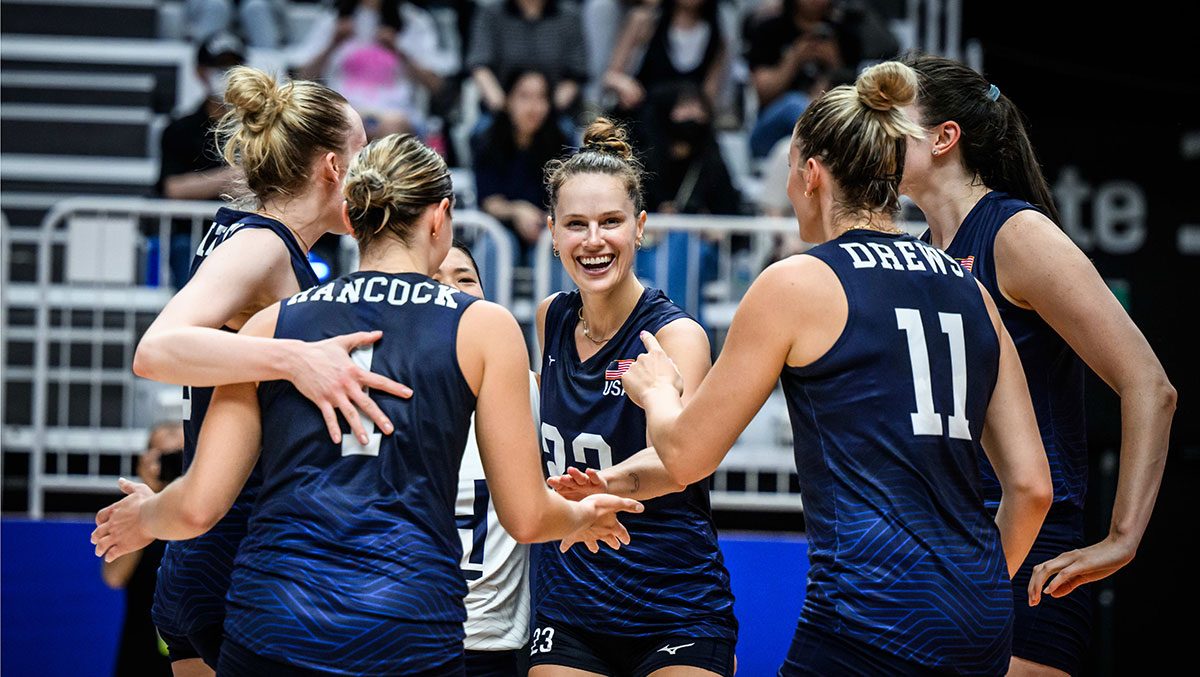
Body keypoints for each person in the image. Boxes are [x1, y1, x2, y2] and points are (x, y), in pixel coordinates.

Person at [92, 133, 643, 676]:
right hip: (406, 629)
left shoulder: (273, 324)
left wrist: (145, 516)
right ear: (440, 216)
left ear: (352, 218)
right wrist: (580, 514)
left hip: (273, 623)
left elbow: (197, 507)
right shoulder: (483, 327)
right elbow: (525, 517)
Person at [617, 61, 1054, 674]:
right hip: (979, 616)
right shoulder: (969, 285)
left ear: (812, 174)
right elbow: (1033, 488)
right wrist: (961, 594)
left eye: (791, 171)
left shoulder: (799, 281)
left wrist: (659, 391)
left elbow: (688, 456)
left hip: (867, 615)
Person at [897, 52, 1177, 676]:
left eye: (889, 119)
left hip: (1034, 548)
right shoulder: (921, 253)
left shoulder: (1015, 234)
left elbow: (1149, 386)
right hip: (951, 544)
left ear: (944, 138)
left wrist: (1123, 538)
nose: (871, 135)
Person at [132, 66, 412, 673]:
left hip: (210, 542)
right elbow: (156, 349)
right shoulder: (260, 245)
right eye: (362, 151)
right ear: (333, 167)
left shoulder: (262, 240)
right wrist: (294, 357)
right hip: (238, 550)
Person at [529, 118, 738, 677]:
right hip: (569, 600)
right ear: (553, 234)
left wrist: (597, 487)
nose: (593, 240)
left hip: (674, 603)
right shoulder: (551, 316)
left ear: (640, 227)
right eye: (576, 224)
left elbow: (679, 463)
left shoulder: (675, 335)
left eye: (610, 222)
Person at [433, 242, 535, 677]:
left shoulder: (527, 391)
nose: (452, 292)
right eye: (434, 280)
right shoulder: (371, 389)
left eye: (465, 279)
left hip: (489, 643)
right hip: (399, 632)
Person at [745, 0, 897, 157]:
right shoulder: (770, 29)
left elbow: (855, 92)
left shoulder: (845, 32)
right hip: (772, 130)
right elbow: (762, 93)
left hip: (830, 119)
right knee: (795, 103)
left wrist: (834, 63)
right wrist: (793, 59)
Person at [294, 0, 455, 139]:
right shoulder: (334, 19)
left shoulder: (414, 21)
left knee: (392, 126)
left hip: (396, 113)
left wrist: (400, 51)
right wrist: (333, 44)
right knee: (334, 124)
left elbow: (436, 86)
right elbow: (303, 77)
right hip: (344, 108)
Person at [103, 422, 184, 677]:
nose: (173, 465)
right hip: (141, 651)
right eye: (164, 456)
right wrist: (148, 507)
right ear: (147, 459)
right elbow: (113, 576)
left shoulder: (207, 510)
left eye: (180, 455)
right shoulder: (131, 511)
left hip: (195, 650)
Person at [472, 70, 568, 258]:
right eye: (525, 96)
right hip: (501, 226)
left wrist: (544, 218)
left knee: (555, 247)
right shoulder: (489, 141)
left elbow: (566, 197)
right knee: (494, 247)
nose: (534, 106)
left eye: (541, 97)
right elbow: (489, 200)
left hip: (548, 227)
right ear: (508, 100)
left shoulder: (561, 142)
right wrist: (517, 211)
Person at [158, 32, 244, 202]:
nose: (227, 74)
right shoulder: (180, 129)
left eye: (234, 66)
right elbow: (173, 187)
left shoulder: (259, 126)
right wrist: (229, 177)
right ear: (200, 71)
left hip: (246, 225)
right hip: (190, 227)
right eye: (219, 66)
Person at [603, 0, 728, 117]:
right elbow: (611, 76)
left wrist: (695, 111)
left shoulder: (716, 37)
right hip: (643, 114)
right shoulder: (646, 22)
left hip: (684, 125)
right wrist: (625, 85)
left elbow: (709, 97)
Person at [467, 0, 588, 116]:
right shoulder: (491, 13)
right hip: (501, 109)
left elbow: (576, 72)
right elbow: (480, 64)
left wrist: (548, 108)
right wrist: (503, 106)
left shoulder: (569, 15)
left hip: (554, 111)